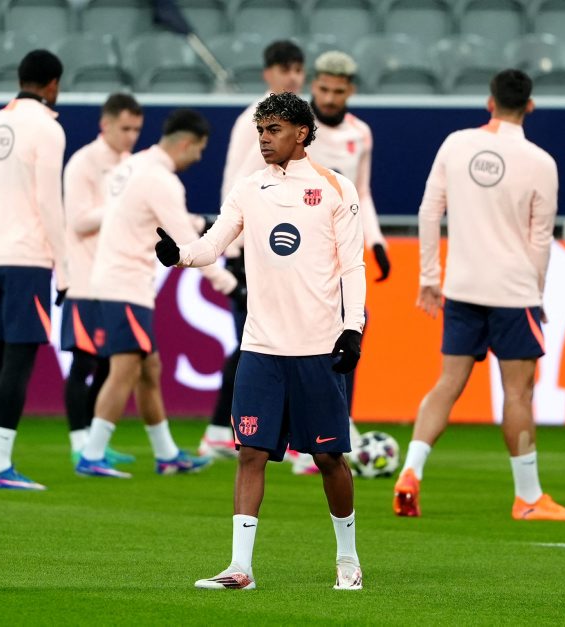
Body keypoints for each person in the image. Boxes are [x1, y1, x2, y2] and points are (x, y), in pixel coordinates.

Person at [156, 92, 367, 590]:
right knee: (250, 452)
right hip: (261, 348)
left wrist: (353, 327)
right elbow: (212, 244)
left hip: (317, 347)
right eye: (260, 130)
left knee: (328, 458)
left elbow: (352, 265)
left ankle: (348, 559)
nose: (264, 139)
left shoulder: (336, 187)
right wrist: (179, 255)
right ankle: (240, 568)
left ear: (302, 132)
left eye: (273, 130)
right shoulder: (250, 188)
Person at [393, 69, 565, 522]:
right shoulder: (541, 162)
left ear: (490, 102)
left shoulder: (456, 144)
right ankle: (528, 497)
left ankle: (411, 470)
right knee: (518, 393)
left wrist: (429, 276)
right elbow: (541, 239)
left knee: (447, 384)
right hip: (513, 291)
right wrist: (537, 292)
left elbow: (428, 212)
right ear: (530, 106)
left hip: (462, 286)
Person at [75, 109, 238, 479]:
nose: (198, 157)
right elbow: (187, 241)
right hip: (126, 283)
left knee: (149, 368)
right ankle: (92, 454)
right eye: (199, 149)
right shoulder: (161, 180)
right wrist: (228, 284)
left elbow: (146, 218)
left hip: (115, 278)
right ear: (186, 143)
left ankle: (166, 455)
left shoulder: (131, 166)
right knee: (125, 369)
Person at [198, 40, 307, 462]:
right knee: (262, 345)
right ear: (269, 74)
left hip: (266, 248)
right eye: (285, 69)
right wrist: (239, 244)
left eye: (297, 69)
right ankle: (242, 432)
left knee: (261, 344)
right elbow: (241, 183)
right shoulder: (261, 118)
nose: (293, 76)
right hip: (251, 249)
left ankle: (221, 432)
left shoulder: (287, 118)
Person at [0, 50, 68, 491]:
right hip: (27, 255)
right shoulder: (48, 129)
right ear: (52, 84)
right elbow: (49, 202)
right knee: (19, 356)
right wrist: (64, 268)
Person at [305, 50, 392, 447]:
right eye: (323, 89)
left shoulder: (361, 134)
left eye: (338, 91)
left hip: (340, 252)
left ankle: (338, 422)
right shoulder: (296, 127)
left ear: (350, 91)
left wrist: (377, 241)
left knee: (352, 329)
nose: (329, 98)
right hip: (299, 251)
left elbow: (363, 193)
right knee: (306, 340)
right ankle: (313, 431)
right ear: (313, 85)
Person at [61, 92, 143, 467]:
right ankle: (79, 442)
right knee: (84, 363)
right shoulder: (83, 163)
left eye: (136, 129)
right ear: (105, 125)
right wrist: (121, 207)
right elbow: (78, 221)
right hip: (85, 280)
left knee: (110, 365)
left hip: (115, 280)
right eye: (125, 128)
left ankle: (95, 443)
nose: (131, 136)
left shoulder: (130, 165)